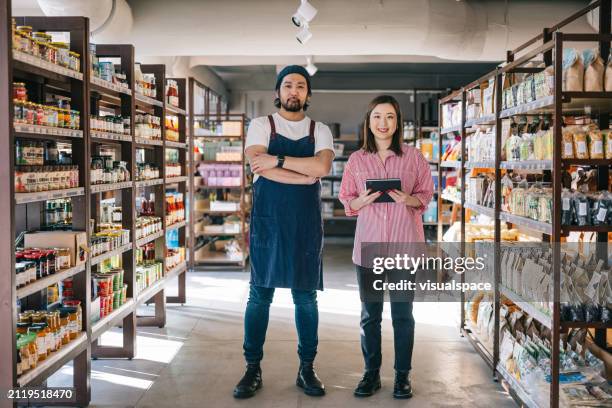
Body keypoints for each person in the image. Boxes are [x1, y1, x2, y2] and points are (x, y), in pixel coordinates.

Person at [232, 65, 335, 399]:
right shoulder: (261, 125)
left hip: (305, 224)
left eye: (300, 86)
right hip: (269, 221)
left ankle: (307, 368)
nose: (294, 91)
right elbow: (257, 164)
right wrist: (301, 174)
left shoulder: (321, 130)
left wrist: (276, 162)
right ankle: (252, 368)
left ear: (308, 94)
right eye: (288, 85)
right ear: (277, 92)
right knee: (260, 294)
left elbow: (321, 168)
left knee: (305, 296)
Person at [338, 95, 434, 399]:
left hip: (405, 249)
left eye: (390, 117)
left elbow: (426, 196)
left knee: (403, 315)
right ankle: (371, 374)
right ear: (369, 121)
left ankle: (402, 377)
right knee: (370, 316)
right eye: (377, 117)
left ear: (397, 121)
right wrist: (360, 201)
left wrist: (408, 199)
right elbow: (346, 202)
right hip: (368, 250)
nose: (383, 123)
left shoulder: (414, 157)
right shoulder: (356, 160)